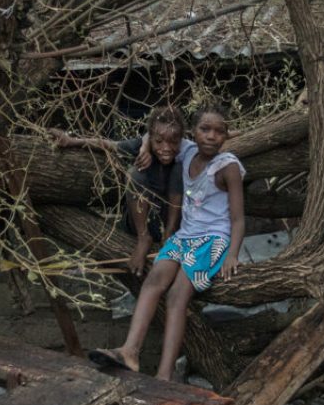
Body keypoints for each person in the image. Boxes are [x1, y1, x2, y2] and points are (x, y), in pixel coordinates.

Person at [90, 104, 245, 381]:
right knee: (153, 282)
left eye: (219, 131)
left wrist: (233, 254)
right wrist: (144, 146)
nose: (211, 136)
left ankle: (165, 374)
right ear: (192, 132)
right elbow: (153, 134)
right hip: (183, 237)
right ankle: (130, 351)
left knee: (176, 296)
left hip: (212, 240)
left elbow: (237, 218)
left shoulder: (228, 166)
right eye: (205, 129)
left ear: (226, 135)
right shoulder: (186, 150)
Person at [51, 107, 186, 276]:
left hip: (170, 221)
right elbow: (108, 144)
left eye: (173, 142)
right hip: (141, 220)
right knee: (135, 173)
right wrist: (72, 141)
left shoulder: (187, 152)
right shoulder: (141, 146)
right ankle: (143, 238)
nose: (166, 148)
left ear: (181, 140)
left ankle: (169, 233)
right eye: (159, 142)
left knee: (179, 170)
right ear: (150, 138)